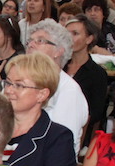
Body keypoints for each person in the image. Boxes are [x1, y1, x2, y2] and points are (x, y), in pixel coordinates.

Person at [1, 53, 75, 166]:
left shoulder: (57, 138)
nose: (9, 90)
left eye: (19, 85)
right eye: (8, 83)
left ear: (42, 94)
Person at [25, 20, 88, 153]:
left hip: (49, 159)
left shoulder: (69, 90)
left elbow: (61, 143)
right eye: (29, 41)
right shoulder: (20, 82)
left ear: (58, 51)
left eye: (40, 41)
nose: (30, 45)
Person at [64, 15, 109, 139]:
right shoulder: (59, 67)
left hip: (80, 130)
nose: (69, 38)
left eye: (75, 33)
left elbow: (95, 113)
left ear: (89, 39)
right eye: (66, 33)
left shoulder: (97, 73)